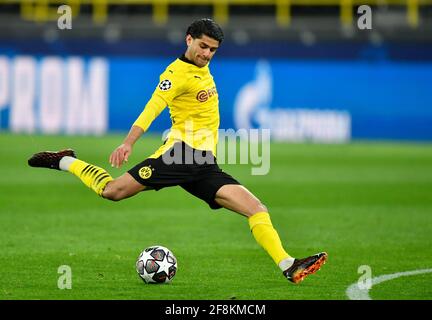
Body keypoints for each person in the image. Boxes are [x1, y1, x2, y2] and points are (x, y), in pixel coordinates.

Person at [28, 18, 327, 283]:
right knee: (112, 191)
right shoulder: (176, 73)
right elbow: (153, 107)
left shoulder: (203, 68)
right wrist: (128, 142)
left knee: (257, 209)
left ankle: (288, 265)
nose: (207, 54)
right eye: (203, 46)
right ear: (189, 40)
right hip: (179, 156)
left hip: (204, 164)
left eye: (213, 50)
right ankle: (65, 161)